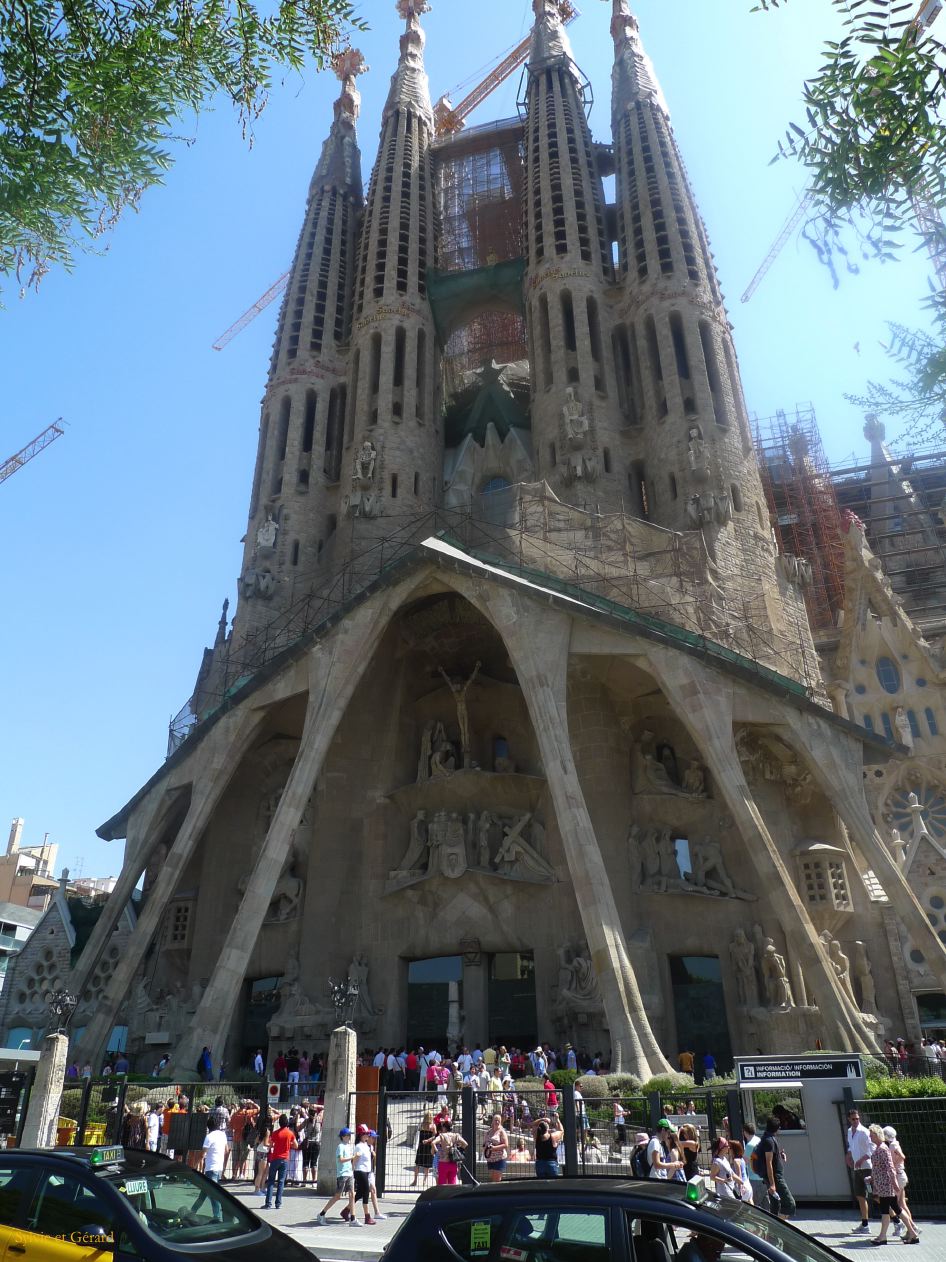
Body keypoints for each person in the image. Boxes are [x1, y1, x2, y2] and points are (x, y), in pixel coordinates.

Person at [869, 1124, 920, 1245]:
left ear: (877, 1135)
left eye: (871, 1135)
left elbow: (890, 1167)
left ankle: (885, 1236)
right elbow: (879, 1168)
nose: (870, 1137)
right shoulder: (880, 1148)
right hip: (883, 1184)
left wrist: (894, 1184)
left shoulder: (882, 1148)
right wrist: (872, 1177)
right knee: (892, 1209)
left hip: (886, 1185)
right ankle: (911, 1233)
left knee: (889, 1210)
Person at [314, 1127, 357, 1225]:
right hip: (342, 1174)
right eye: (347, 1135)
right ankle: (322, 1214)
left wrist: (353, 1163)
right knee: (337, 1196)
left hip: (349, 1173)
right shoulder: (340, 1147)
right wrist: (352, 1157)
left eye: (349, 1135)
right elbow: (341, 1159)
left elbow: (350, 1160)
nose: (349, 1137)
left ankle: (353, 1218)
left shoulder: (349, 1147)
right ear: (343, 1137)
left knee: (352, 1194)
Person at [758, 1115, 795, 1220]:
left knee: (775, 1206)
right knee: (790, 1204)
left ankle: (772, 1229)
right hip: (775, 1178)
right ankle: (776, 1228)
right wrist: (773, 1184)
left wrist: (780, 1154)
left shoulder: (768, 1138)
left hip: (773, 1177)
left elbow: (771, 1158)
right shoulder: (769, 1141)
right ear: (777, 1128)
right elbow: (768, 1162)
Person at [846, 1107, 873, 1231]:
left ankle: (897, 1221)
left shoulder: (864, 1132)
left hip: (866, 1167)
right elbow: (852, 1147)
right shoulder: (849, 1131)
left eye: (857, 1118)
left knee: (877, 1196)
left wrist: (862, 1159)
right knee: (860, 1196)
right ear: (849, 1119)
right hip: (857, 1168)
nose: (856, 1121)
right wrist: (849, 1155)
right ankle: (865, 1224)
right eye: (853, 1119)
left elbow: (871, 1149)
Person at [263, 1112, 298, 1211]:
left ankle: (268, 1203)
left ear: (279, 1123)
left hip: (275, 1158)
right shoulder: (290, 1133)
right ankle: (278, 1203)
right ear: (287, 1123)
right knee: (281, 1182)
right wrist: (288, 1145)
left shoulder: (275, 1133)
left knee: (271, 1181)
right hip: (285, 1159)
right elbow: (296, 1145)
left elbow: (270, 1145)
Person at [199, 1118, 229, 1221]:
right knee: (204, 1193)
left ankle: (217, 1216)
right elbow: (226, 1150)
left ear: (208, 1127)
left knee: (212, 1194)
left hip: (211, 1168)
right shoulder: (222, 1135)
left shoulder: (209, 1137)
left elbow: (202, 1154)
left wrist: (195, 1166)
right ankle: (193, 1210)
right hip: (218, 1167)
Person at [352, 1124, 376, 1225]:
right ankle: (367, 1216)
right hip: (359, 1171)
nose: (367, 1135)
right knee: (366, 1192)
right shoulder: (358, 1146)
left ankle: (346, 1210)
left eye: (367, 1133)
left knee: (360, 1193)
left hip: (366, 1171)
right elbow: (355, 1160)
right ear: (361, 1135)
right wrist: (352, 1171)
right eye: (366, 1133)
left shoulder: (366, 1146)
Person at [432, 1119, 468, 1186]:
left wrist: (438, 1151)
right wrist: (459, 1149)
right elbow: (465, 1144)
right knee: (452, 1185)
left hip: (443, 1162)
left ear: (444, 1128)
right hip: (453, 1163)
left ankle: (443, 1196)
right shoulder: (456, 1135)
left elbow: (433, 1143)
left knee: (442, 1185)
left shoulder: (442, 1136)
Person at [411, 1109, 437, 1188]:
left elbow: (417, 1133)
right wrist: (428, 1140)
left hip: (421, 1146)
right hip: (428, 1147)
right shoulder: (433, 1126)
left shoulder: (421, 1124)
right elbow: (434, 1136)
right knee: (427, 1165)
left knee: (417, 1164)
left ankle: (415, 1180)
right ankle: (424, 1181)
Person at [742, 1123, 765, 1206]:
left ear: (745, 1132)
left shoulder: (749, 1145)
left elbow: (745, 1161)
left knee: (754, 1204)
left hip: (754, 1177)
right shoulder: (758, 1140)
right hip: (763, 1177)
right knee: (765, 1204)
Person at [483, 1114, 509, 1182]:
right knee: (492, 1179)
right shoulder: (488, 1132)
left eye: (498, 1120)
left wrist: (494, 1148)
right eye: (495, 1120)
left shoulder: (501, 1132)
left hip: (499, 1159)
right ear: (492, 1121)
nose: (497, 1122)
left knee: (497, 1181)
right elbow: (484, 1143)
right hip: (490, 1160)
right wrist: (486, 1147)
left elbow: (506, 1145)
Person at [729, 1139, 753, 1203]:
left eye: (730, 1148)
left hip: (743, 1186)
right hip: (748, 1185)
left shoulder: (736, 1161)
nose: (728, 1149)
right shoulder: (741, 1159)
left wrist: (740, 1189)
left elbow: (738, 1176)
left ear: (734, 1149)